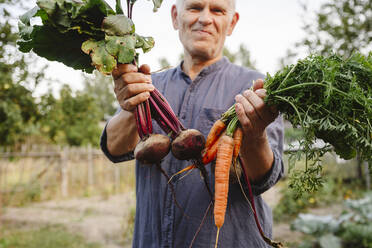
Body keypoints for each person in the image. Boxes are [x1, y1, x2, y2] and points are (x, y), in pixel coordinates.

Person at [100, 0, 284, 247]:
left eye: (217, 10)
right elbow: (114, 149)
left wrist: (255, 134)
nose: (205, 18)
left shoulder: (257, 89)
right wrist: (129, 109)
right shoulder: (145, 84)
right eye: (195, 7)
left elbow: (264, 177)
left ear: (232, 23)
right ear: (175, 16)